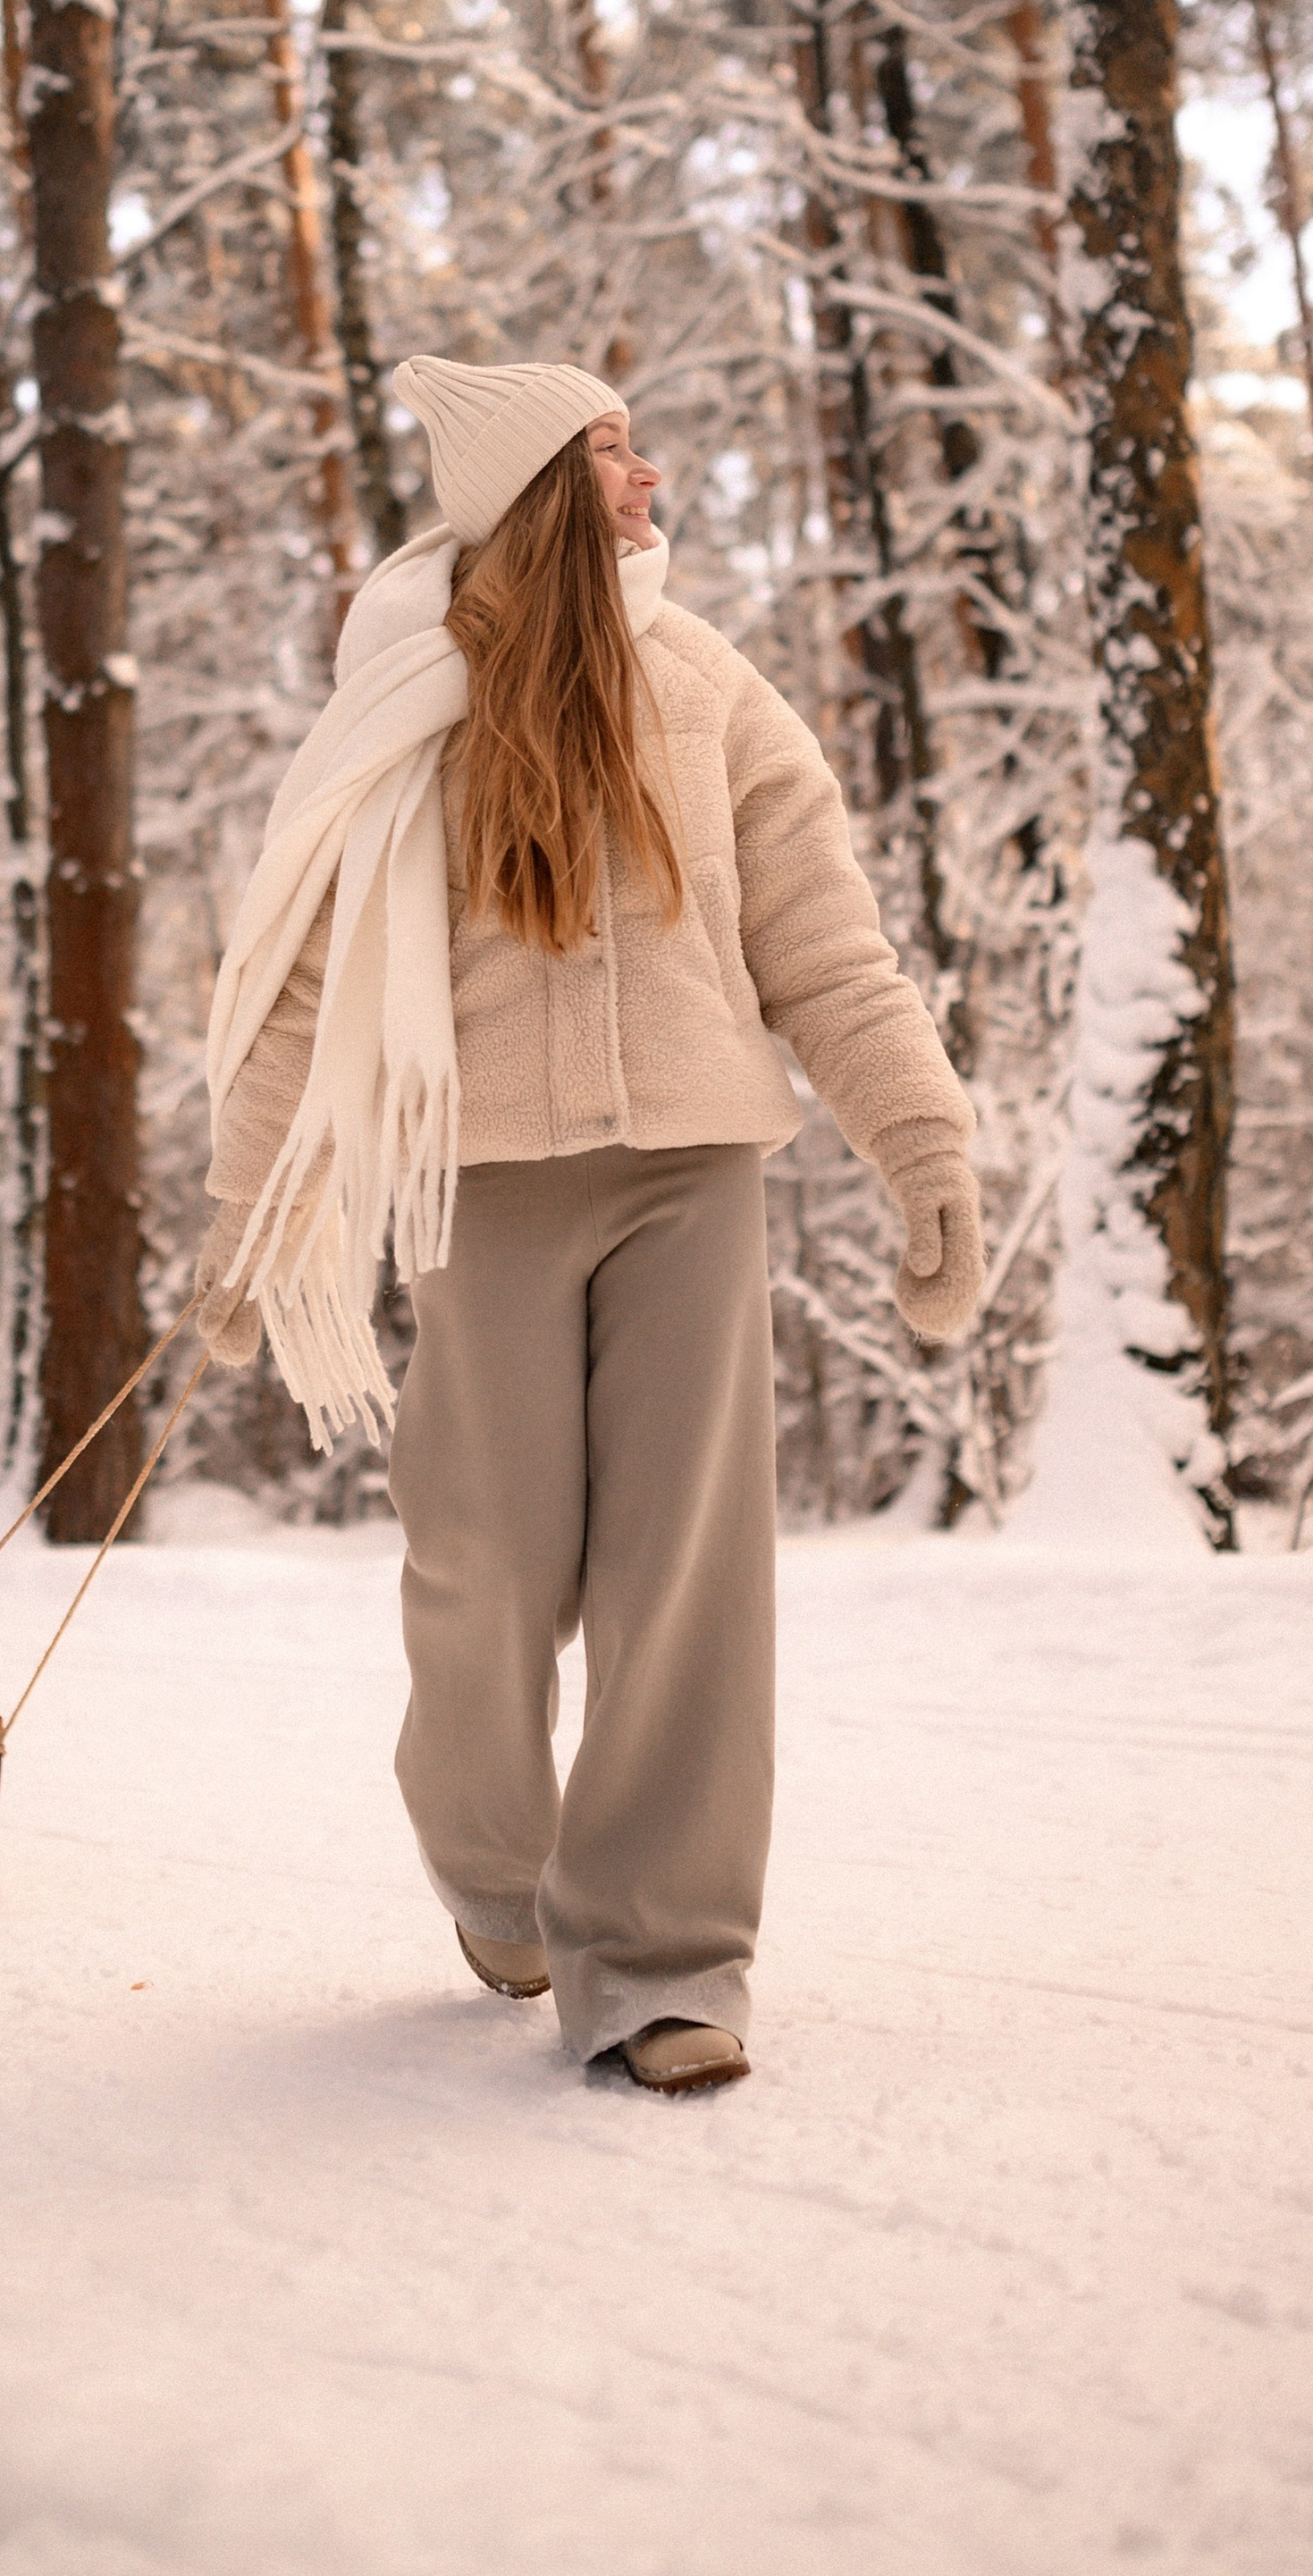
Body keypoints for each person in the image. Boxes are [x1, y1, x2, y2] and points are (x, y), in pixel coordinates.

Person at [197, 358, 982, 2093]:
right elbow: (301, 992)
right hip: (477, 1182)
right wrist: (243, 1225)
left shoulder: (704, 690)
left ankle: (658, 1960)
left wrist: (921, 1142)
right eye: (612, 449)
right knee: (482, 1559)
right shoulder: (413, 709)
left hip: (692, 1168)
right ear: (541, 487)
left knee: (683, 1577)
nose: (647, 475)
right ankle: (492, 1863)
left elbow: (824, 942)